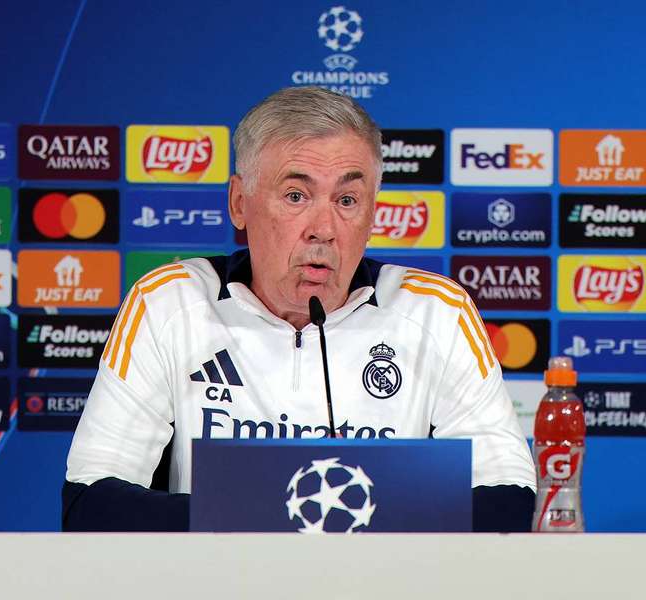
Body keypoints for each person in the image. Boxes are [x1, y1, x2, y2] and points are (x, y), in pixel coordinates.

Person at [62, 86, 536, 532]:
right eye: (296, 196)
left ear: (372, 213)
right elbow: (90, 501)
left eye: (347, 200)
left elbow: (508, 499)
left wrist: (290, 517)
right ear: (239, 203)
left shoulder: (437, 311)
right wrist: (303, 514)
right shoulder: (170, 302)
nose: (323, 229)